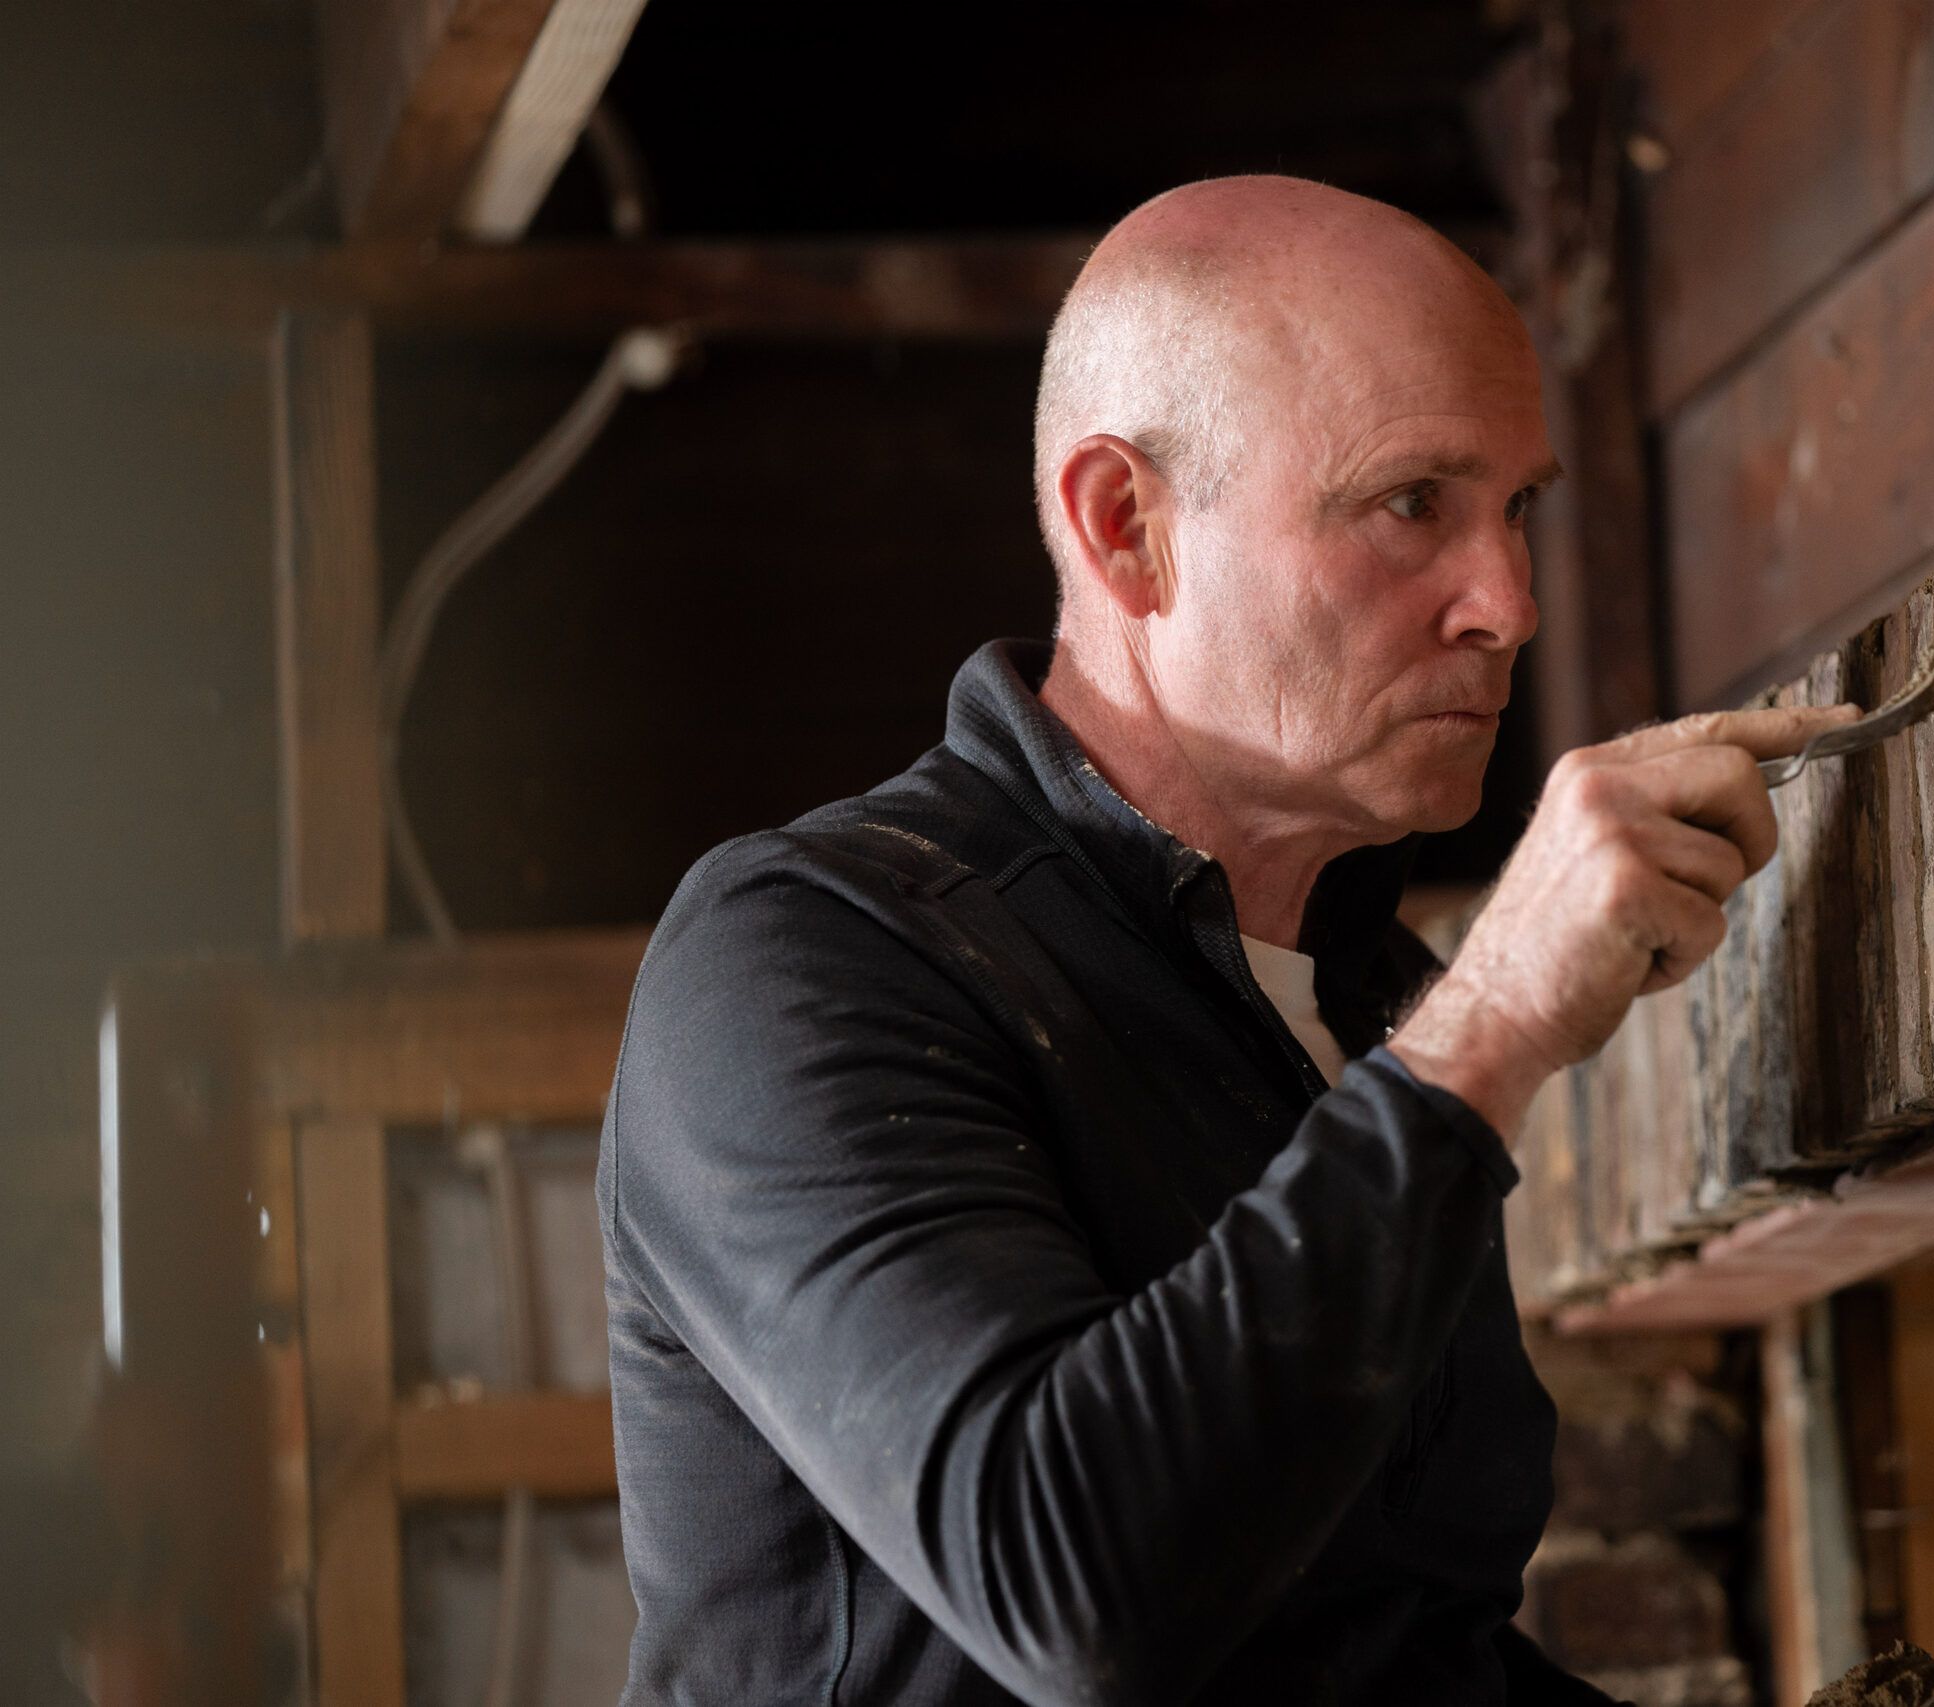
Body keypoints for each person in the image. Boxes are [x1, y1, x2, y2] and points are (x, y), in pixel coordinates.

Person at [599, 174, 1854, 1706]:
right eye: (1413, 506)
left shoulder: (1350, 1001)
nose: (1510, 603)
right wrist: (1497, 1018)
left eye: (1518, 509)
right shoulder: (801, 953)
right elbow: (1075, 1589)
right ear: (1128, 529)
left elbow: (1386, 1663)